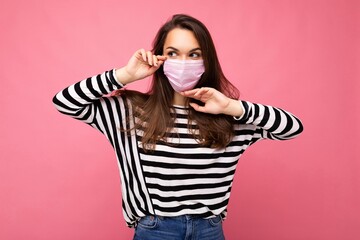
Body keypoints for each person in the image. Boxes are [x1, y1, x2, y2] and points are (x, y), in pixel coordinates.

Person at [53, 14, 303, 240]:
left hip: (210, 230)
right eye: (173, 53)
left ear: (207, 60)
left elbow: (292, 127)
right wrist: (126, 75)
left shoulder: (229, 117)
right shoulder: (129, 111)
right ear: (160, 58)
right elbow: (65, 102)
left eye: (194, 54)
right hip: (155, 230)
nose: (183, 62)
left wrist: (231, 107)